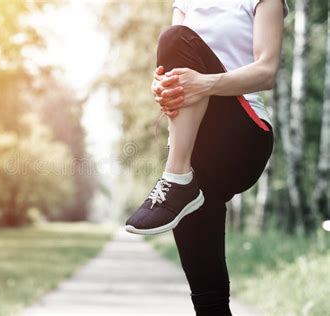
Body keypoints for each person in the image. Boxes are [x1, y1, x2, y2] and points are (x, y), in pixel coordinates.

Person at [124, 0, 289, 314]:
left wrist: (204, 84)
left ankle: (175, 180)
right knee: (208, 299)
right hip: (194, 149)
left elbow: (266, 71)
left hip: (242, 132)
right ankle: (181, 183)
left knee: (174, 39)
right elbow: (171, 65)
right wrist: (160, 86)